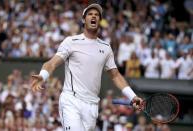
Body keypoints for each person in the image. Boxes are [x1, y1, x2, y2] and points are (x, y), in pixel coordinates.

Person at [31, 3, 143, 131]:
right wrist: (43, 75)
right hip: (71, 101)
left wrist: (133, 96)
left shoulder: (106, 48)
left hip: (92, 106)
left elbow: (116, 76)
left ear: (100, 21)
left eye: (96, 15)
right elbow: (51, 63)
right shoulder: (71, 42)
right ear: (84, 20)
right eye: (90, 14)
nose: (93, 16)